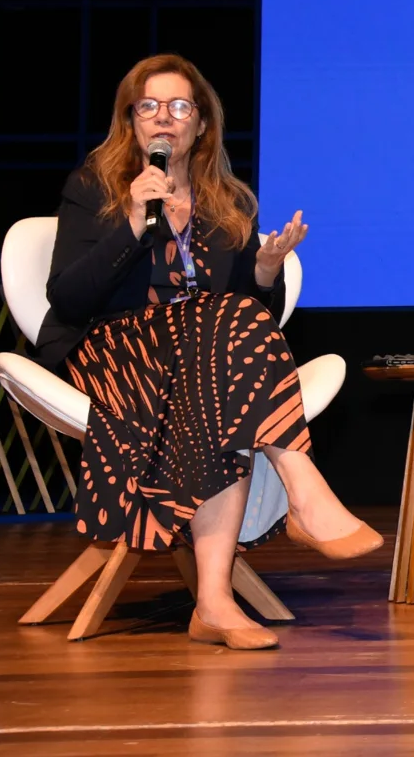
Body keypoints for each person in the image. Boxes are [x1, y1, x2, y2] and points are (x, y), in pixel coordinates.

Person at [36, 54, 382, 650]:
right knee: (218, 368)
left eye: (178, 107)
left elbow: (251, 327)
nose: (163, 119)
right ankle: (304, 489)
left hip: (196, 365)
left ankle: (214, 603)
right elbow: (68, 298)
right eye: (149, 107)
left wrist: (266, 271)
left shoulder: (229, 202)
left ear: (201, 124)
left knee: (223, 374)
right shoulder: (93, 186)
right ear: (131, 123)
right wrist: (133, 224)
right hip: (114, 353)